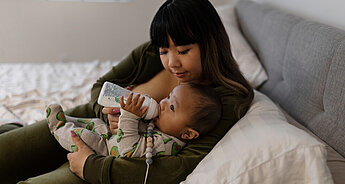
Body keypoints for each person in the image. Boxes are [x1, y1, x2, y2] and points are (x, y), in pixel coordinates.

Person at [0, 0, 254, 183]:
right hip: (85, 123)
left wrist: (92, 167)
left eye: (184, 51)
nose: (171, 62)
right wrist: (107, 112)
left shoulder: (226, 100)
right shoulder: (154, 52)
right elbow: (101, 86)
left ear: (210, 43)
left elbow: (177, 167)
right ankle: (12, 129)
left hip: (109, 158)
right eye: (165, 51)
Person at [47, 83, 221, 159]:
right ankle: (68, 119)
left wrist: (129, 116)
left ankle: (59, 126)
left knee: (84, 137)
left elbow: (129, 151)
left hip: (105, 152)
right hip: (109, 137)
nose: (163, 103)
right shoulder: (163, 126)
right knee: (96, 123)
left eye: (172, 107)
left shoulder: (167, 145)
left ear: (188, 133)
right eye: (168, 97)